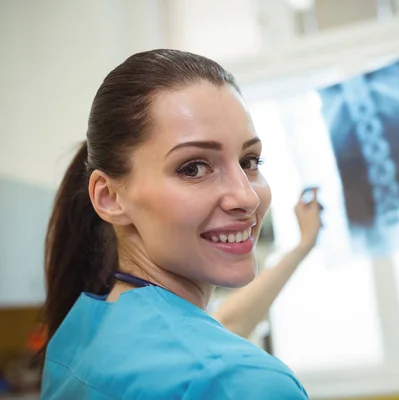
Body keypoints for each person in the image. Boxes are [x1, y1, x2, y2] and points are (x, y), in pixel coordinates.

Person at [41, 49, 322, 399]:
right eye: (193, 168)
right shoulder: (241, 382)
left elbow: (222, 328)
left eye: (250, 160)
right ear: (110, 198)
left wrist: (302, 245)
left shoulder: (80, 342)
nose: (247, 198)